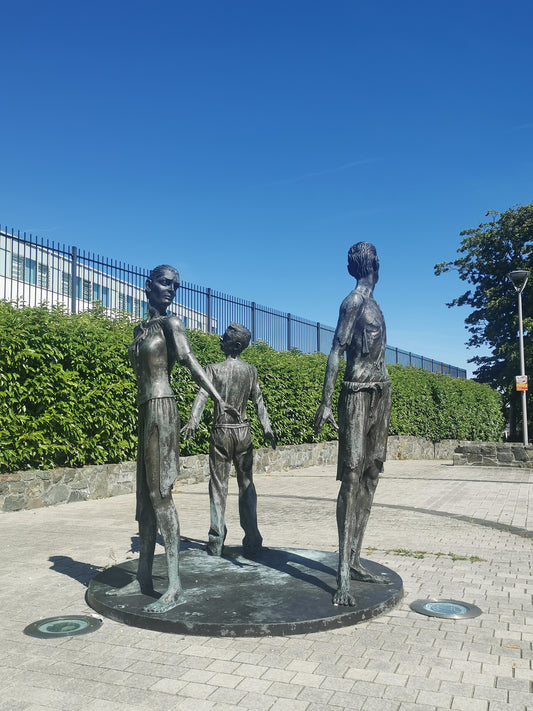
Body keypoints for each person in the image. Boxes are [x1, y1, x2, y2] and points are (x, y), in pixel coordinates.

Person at [107, 265, 235, 613]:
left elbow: (192, 362)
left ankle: (175, 586)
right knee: (144, 499)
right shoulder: (140, 328)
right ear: (148, 285)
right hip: (144, 409)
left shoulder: (171, 324)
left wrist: (219, 398)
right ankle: (144, 577)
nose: (171, 289)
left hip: (163, 409)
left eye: (175, 285)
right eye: (165, 283)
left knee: (160, 494)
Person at [314, 242, 391, 606]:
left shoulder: (375, 303)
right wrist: (326, 401)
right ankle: (342, 572)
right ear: (373, 264)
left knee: (372, 473)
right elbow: (336, 350)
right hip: (357, 393)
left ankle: (356, 559)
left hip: (381, 392)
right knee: (351, 473)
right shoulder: (354, 302)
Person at [181, 322, 276, 556]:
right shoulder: (251, 371)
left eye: (223, 337)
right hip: (243, 432)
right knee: (247, 486)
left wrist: (194, 419)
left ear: (235, 344)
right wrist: (267, 427)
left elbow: (203, 395)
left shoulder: (213, 369)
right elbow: (259, 401)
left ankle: (216, 539)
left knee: (218, 486)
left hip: (222, 432)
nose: (219, 339)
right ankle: (253, 537)